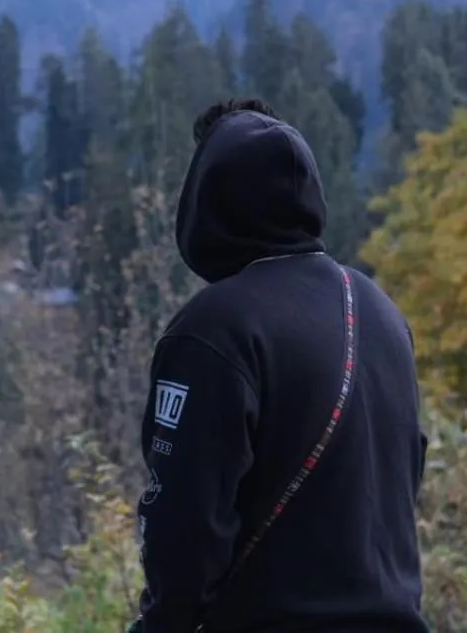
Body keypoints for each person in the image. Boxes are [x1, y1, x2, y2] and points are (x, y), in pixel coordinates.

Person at [128, 98, 429, 633]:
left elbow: (184, 523)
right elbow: (404, 480)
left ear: (206, 201)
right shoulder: (381, 313)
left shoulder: (216, 329)